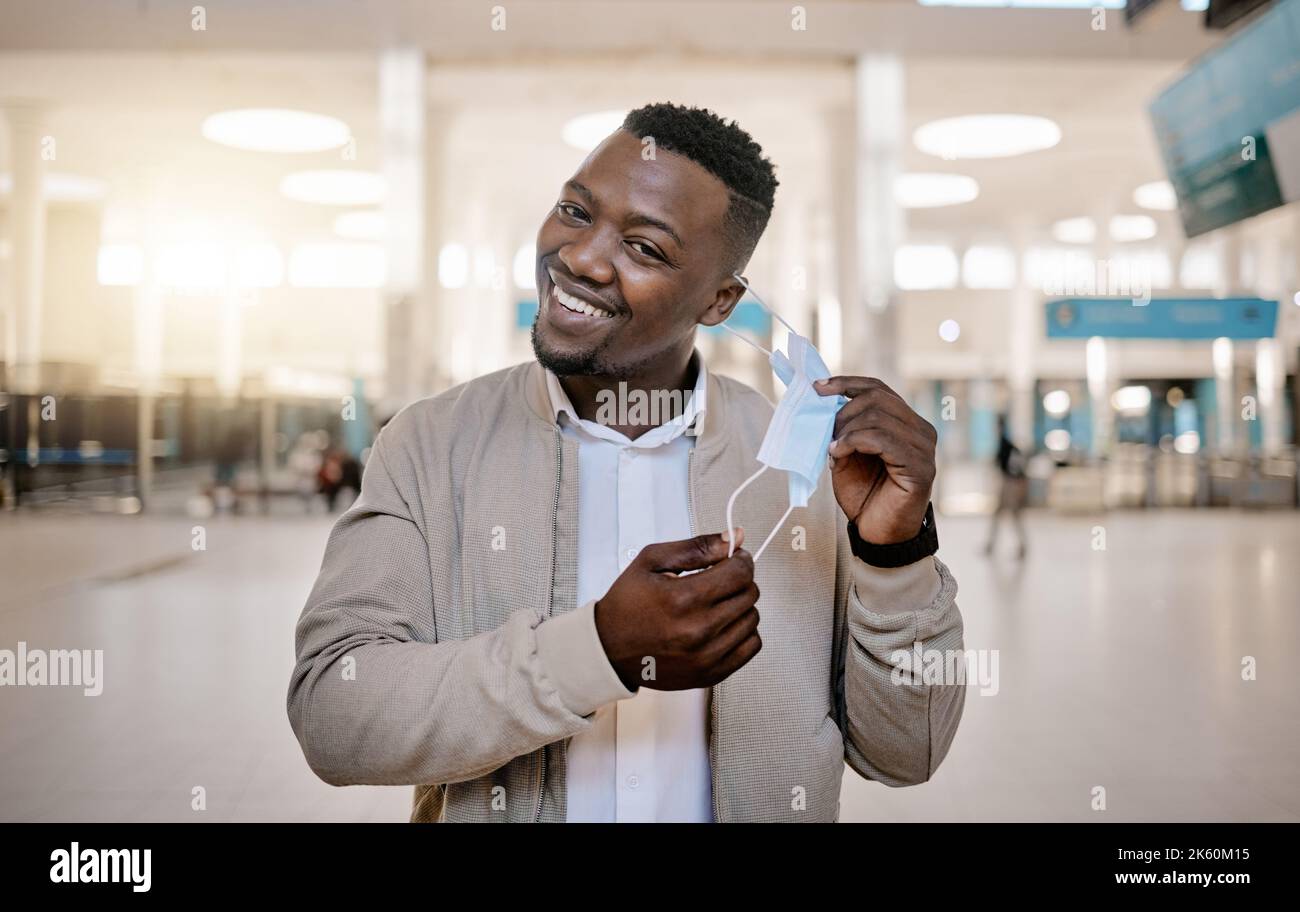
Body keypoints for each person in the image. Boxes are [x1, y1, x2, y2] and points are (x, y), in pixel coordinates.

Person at [287, 103, 964, 823]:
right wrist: (598, 651)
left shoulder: (808, 472)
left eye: (645, 248)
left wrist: (895, 553)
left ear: (720, 299)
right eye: (575, 211)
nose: (580, 258)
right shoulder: (430, 444)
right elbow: (335, 711)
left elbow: (906, 752)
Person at [984, 414, 1029, 559]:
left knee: (1013, 515)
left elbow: (1016, 468)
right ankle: (991, 545)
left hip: (1010, 485)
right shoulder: (1004, 444)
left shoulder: (1006, 445)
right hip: (1007, 483)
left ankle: (1021, 547)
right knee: (1000, 515)